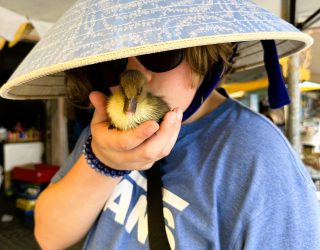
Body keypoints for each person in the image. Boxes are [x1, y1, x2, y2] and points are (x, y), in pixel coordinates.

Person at [1, 0, 319, 249]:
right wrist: (102, 162)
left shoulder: (258, 158)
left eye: (160, 52)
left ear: (205, 53)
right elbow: (48, 236)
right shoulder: (106, 130)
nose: (136, 73)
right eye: (112, 60)